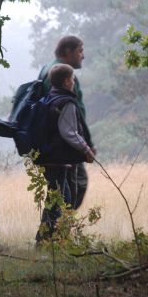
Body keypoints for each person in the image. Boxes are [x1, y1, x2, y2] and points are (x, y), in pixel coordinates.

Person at [36, 64, 94, 242]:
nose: (74, 82)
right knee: (60, 198)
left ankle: (53, 238)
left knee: (59, 197)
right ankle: (45, 239)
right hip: (58, 159)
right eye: (73, 79)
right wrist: (86, 149)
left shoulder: (50, 97)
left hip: (48, 157)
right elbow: (69, 132)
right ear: (67, 81)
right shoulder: (66, 102)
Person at [38, 36, 94, 209]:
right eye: (80, 50)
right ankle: (57, 232)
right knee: (68, 191)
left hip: (64, 146)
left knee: (65, 191)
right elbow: (63, 119)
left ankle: (56, 232)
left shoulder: (57, 70)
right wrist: (84, 145)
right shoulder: (57, 73)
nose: (83, 56)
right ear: (68, 52)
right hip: (62, 148)